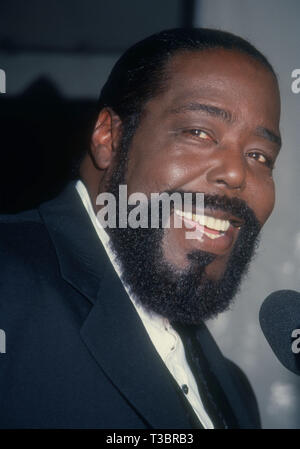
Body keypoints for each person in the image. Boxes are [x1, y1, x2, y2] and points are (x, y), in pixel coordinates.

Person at [0, 28, 281, 429]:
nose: (236, 173)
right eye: (199, 132)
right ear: (109, 138)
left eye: (259, 155)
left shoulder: (232, 391)